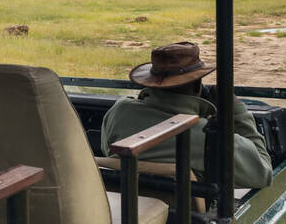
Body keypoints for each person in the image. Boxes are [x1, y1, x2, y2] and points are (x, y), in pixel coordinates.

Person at [100, 42, 273, 189]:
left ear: (151, 82)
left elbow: (107, 151)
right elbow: (263, 172)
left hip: (126, 212)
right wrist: (236, 111)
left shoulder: (119, 111)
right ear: (198, 85)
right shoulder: (210, 138)